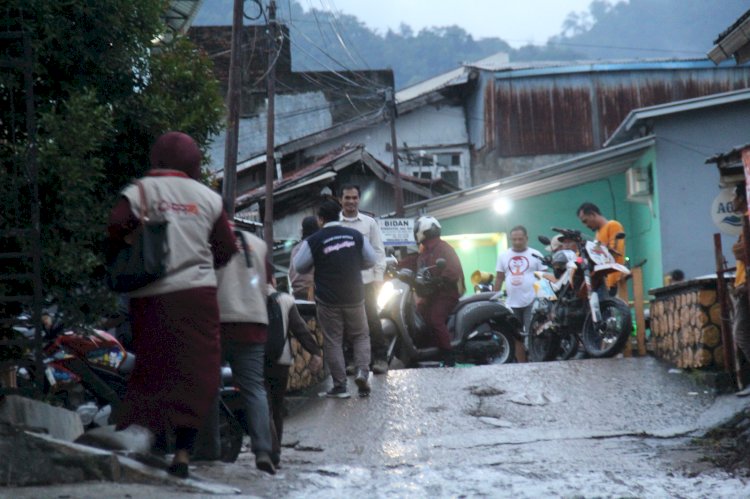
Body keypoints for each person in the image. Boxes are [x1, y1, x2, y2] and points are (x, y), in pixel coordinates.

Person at [107, 131, 237, 479]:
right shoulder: (208, 198)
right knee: (197, 373)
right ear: (193, 162)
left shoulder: (141, 191)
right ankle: (182, 452)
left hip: (149, 299)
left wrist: (137, 237)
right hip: (196, 297)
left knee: (153, 367)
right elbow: (226, 248)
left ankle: (145, 438)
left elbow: (115, 226)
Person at [293, 200, 377, 398]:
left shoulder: (313, 240)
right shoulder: (355, 235)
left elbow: (299, 266)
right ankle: (363, 372)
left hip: (328, 299)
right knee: (361, 335)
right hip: (355, 295)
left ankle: (340, 387)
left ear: (321, 220)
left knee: (333, 341)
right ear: (340, 216)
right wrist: (355, 266)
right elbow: (371, 259)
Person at [215, 225, 277, 474]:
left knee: (209, 387)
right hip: (253, 322)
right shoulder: (257, 244)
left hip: (217, 321)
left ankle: (207, 449)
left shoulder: (208, 239)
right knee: (254, 388)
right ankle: (263, 450)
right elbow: (269, 281)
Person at [264, 284, 323, 465]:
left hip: (255, 360)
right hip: (281, 361)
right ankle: (276, 452)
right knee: (277, 406)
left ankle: (268, 448)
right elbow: (301, 330)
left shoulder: (245, 297)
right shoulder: (286, 300)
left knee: (262, 405)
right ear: (272, 279)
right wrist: (316, 353)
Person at [339, 184, 389, 375]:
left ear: (359, 200)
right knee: (346, 323)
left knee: (372, 320)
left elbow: (378, 251)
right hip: (343, 284)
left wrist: (378, 278)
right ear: (340, 200)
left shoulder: (369, 223)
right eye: (347, 198)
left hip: (367, 282)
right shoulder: (336, 224)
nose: (351, 201)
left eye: (354, 198)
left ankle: (380, 359)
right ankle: (350, 361)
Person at [413, 215, 465, 367]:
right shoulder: (425, 251)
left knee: (435, 319)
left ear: (424, 231)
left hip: (446, 294)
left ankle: (449, 356)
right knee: (418, 316)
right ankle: (427, 351)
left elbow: (453, 270)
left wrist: (441, 279)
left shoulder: (444, 248)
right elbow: (415, 265)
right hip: (431, 294)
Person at [495, 225, 545, 362]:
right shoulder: (503, 256)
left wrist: (549, 299)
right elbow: (499, 277)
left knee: (533, 333)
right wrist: (492, 298)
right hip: (512, 303)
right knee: (515, 335)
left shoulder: (536, 255)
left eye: (520, 239)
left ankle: (536, 360)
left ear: (526, 239)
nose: (517, 242)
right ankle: (521, 364)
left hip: (532, 301)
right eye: (514, 239)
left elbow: (544, 277)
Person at [577, 202, 626, 295]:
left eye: (585, 221)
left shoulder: (613, 225)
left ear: (592, 214)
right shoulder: (598, 234)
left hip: (614, 280)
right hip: (604, 283)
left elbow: (616, 251)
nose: (586, 225)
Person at [730, 182, 750, 397]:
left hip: (745, 285)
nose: (732, 201)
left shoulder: (748, 220)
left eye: (735, 195)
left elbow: (743, 251)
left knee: (741, 331)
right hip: (743, 283)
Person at [289, 216, 319, 300]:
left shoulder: (296, 248)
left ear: (302, 231)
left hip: (296, 294)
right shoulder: (317, 246)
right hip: (312, 294)